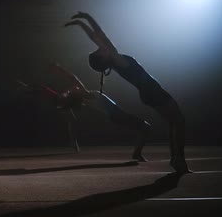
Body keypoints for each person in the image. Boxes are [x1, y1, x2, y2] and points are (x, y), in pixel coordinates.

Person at [65, 11, 190, 173]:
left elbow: (95, 37)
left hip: (148, 93)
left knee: (175, 122)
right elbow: (101, 36)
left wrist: (81, 24)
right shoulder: (116, 58)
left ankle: (176, 159)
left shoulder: (116, 61)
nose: (101, 47)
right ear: (104, 58)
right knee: (178, 121)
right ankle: (178, 160)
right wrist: (87, 18)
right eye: (100, 51)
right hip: (152, 91)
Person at [18, 62, 151, 161]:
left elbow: (51, 89)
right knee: (145, 127)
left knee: (144, 128)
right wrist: (58, 69)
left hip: (117, 115)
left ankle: (137, 153)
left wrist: (32, 88)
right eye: (71, 90)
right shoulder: (86, 95)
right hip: (117, 115)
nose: (72, 88)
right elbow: (73, 78)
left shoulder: (85, 96)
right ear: (77, 94)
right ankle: (137, 153)